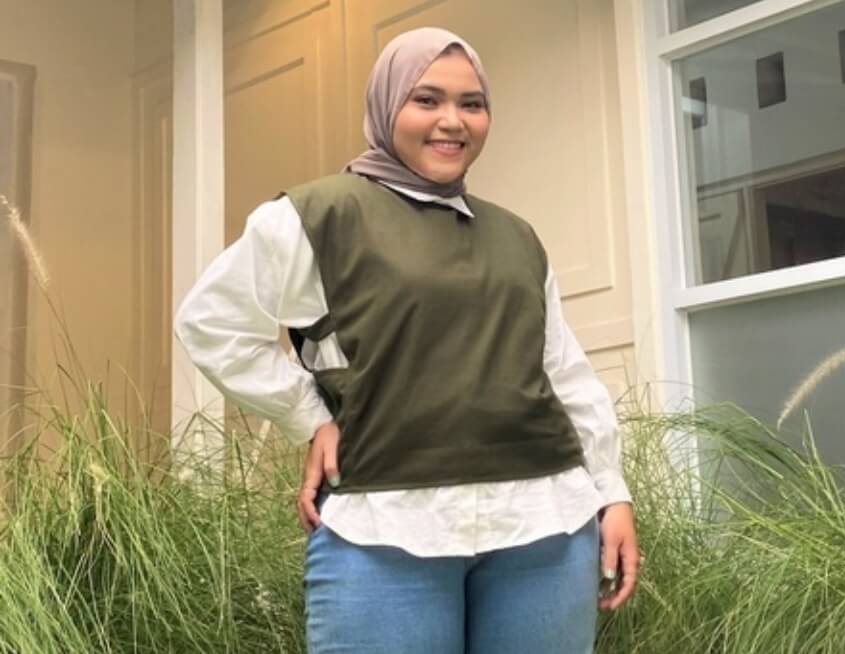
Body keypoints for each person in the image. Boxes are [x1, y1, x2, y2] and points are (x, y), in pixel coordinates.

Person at [174, 26, 638, 654]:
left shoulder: (517, 237)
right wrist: (308, 417)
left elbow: (562, 372)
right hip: (382, 528)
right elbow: (212, 323)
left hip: (545, 524)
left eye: (472, 103)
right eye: (427, 99)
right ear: (387, 103)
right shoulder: (316, 216)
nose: (452, 120)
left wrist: (611, 492)